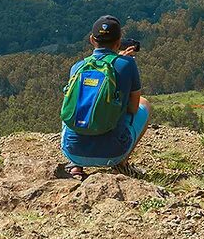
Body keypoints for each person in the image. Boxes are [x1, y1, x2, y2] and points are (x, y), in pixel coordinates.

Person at [60, 15, 150, 179]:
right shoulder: (127, 65)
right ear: (119, 42)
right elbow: (133, 108)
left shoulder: (77, 68)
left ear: (91, 40)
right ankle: (121, 164)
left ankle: (76, 166)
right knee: (144, 104)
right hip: (112, 154)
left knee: (78, 101)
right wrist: (121, 60)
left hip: (72, 151)